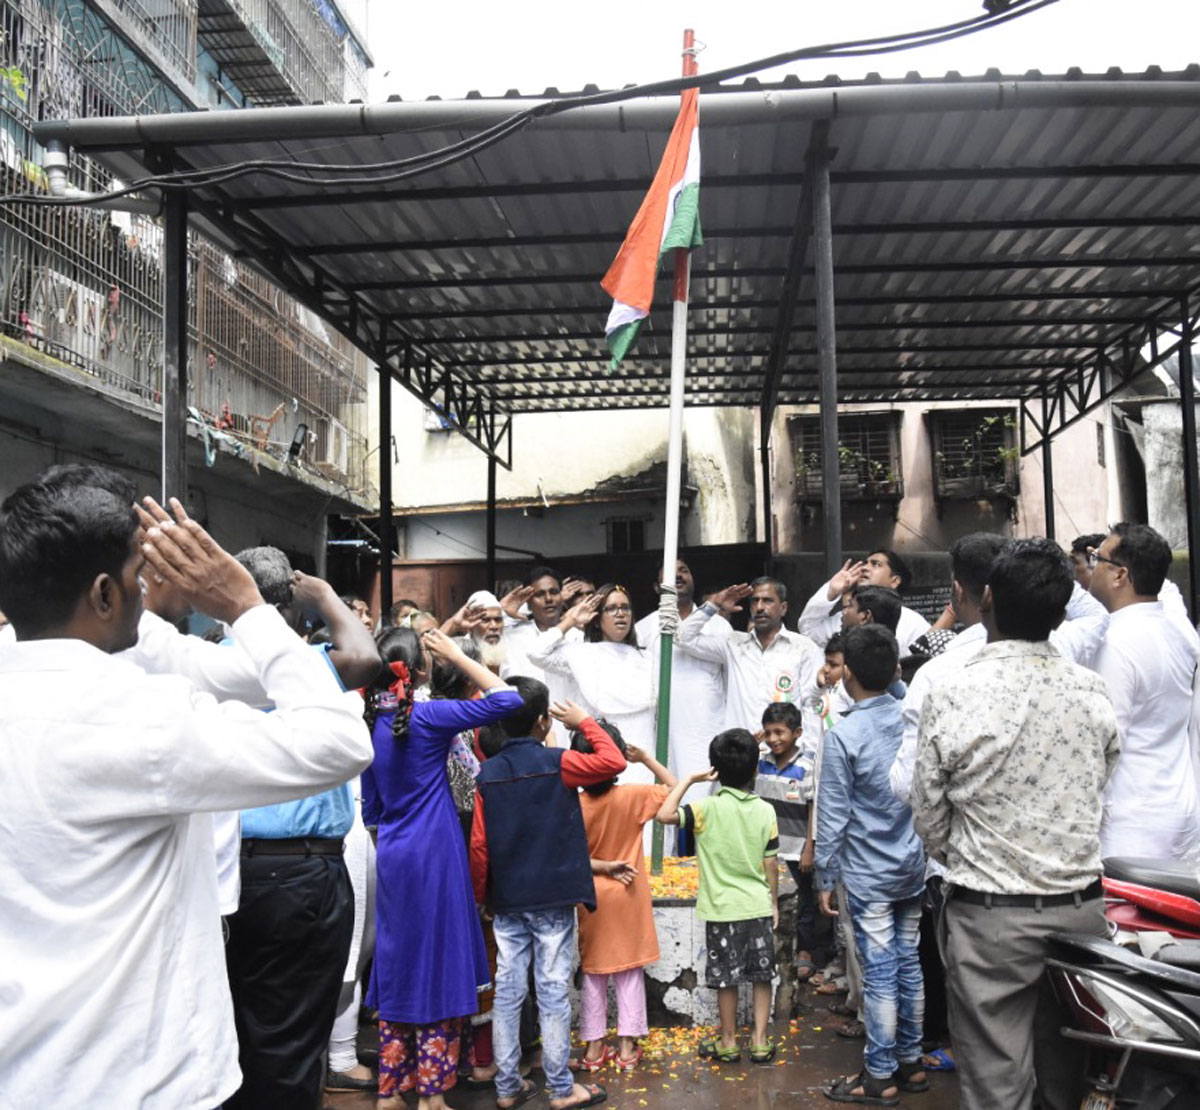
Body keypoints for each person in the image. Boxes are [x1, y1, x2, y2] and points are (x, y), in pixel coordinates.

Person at [0, 469, 372, 1108]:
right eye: (135, 575)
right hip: (141, 1078)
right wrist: (247, 608)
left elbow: (223, 675)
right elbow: (339, 742)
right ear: (104, 594)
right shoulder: (140, 717)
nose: (147, 590)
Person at [911, 538, 1120, 1110]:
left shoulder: (951, 689)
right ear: (1059, 612)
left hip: (989, 918)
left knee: (998, 1088)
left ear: (986, 598)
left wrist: (979, 856)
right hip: (1079, 912)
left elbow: (928, 813)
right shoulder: (1091, 690)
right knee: (1066, 1078)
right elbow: (1099, 783)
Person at [223, 546, 382, 1110]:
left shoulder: (210, 657)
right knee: (292, 1038)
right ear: (292, 606)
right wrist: (323, 595)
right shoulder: (301, 664)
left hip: (249, 870)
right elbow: (366, 655)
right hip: (297, 874)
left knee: (254, 1030)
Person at [362, 625, 521, 1110]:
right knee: (437, 963)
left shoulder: (369, 726)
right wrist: (457, 652)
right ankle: (432, 1094)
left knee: (398, 962)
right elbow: (507, 701)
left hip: (391, 852)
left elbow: (371, 812)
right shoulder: (429, 717)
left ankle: (393, 1089)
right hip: (435, 854)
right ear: (422, 669)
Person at [471, 683, 627, 1110]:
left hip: (508, 899)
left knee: (508, 990)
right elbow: (614, 760)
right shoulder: (559, 763)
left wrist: (484, 894)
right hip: (553, 897)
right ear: (544, 721)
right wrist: (584, 723)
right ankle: (561, 1088)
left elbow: (480, 847)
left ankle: (507, 1087)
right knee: (553, 989)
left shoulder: (488, 774)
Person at [815, 625, 927, 1105]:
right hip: (912, 864)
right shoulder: (910, 718)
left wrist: (823, 873)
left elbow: (834, 813)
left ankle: (879, 1075)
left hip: (867, 872)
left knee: (880, 971)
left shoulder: (845, 735)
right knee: (908, 962)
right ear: (895, 670)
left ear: (849, 676)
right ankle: (912, 1062)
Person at [658, 729, 780, 1065]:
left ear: (715, 768)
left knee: (726, 981)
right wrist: (772, 902)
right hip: (756, 906)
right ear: (755, 770)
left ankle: (728, 1042)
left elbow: (664, 814)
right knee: (761, 976)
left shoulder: (704, 808)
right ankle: (759, 1041)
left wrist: (691, 780)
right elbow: (770, 863)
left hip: (722, 911)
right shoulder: (766, 811)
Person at [1088, 523, 1200, 859]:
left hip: (1132, 823)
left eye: (1098, 559)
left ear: (1120, 575)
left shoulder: (1115, 642)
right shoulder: (1176, 632)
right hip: (1179, 807)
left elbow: (1105, 743)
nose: (1092, 568)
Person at [572, 723, 675, 1071]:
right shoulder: (633, 796)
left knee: (594, 972)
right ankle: (627, 1049)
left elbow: (567, 858)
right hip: (629, 894)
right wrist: (646, 757)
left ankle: (593, 1049)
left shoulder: (573, 804)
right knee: (629, 972)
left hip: (591, 895)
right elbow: (674, 789)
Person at [527, 584, 656, 780]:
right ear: (597, 618)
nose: (620, 614)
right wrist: (570, 620)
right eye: (611, 608)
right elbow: (536, 652)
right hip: (600, 758)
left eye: (625, 608)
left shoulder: (648, 658)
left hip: (642, 757)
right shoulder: (581, 654)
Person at [677, 576, 822, 735]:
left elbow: (812, 705)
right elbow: (683, 637)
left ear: (783, 608)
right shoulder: (733, 644)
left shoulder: (803, 648)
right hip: (740, 753)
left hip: (784, 754)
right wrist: (714, 605)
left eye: (767, 601)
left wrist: (806, 757)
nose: (759, 607)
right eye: (754, 601)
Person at [635, 559, 730, 790]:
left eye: (684, 571)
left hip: (709, 729)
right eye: (669, 573)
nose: (678, 576)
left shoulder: (719, 627)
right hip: (664, 731)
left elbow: (730, 682)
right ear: (657, 588)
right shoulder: (643, 630)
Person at [754, 703, 823, 984]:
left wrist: (809, 847)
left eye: (780, 732)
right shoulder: (759, 762)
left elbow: (812, 808)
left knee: (804, 900)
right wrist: (751, 741)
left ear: (797, 733)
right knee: (769, 898)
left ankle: (805, 950)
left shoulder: (807, 765)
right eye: (768, 732)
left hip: (797, 849)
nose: (773, 739)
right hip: (767, 850)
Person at [798, 551, 930, 654]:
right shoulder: (847, 617)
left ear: (894, 581)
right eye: (865, 563)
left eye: (876, 564)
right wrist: (831, 592)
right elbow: (809, 632)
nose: (865, 568)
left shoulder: (914, 624)